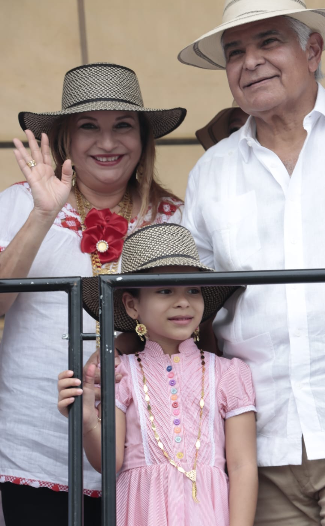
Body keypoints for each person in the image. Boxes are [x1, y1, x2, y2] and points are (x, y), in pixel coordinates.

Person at [178, 0, 325, 524]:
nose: (250, 61)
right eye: (235, 52)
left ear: (314, 50)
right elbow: (188, 301)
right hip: (261, 450)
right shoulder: (211, 172)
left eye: (269, 42)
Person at [0, 62, 186, 526]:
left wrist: (119, 346)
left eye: (123, 126)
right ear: (66, 139)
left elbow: (194, 325)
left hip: (148, 450)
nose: (107, 143)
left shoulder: (175, 218)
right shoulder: (17, 204)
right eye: (89, 127)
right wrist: (44, 213)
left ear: (143, 139)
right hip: (35, 448)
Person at [57, 223, 258, 526]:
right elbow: (109, 463)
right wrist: (87, 421)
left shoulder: (229, 372)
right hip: (140, 513)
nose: (183, 301)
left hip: (210, 515)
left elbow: (243, 466)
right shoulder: (120, 372)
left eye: (193, 289)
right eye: (165, 289)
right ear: (131, 304)